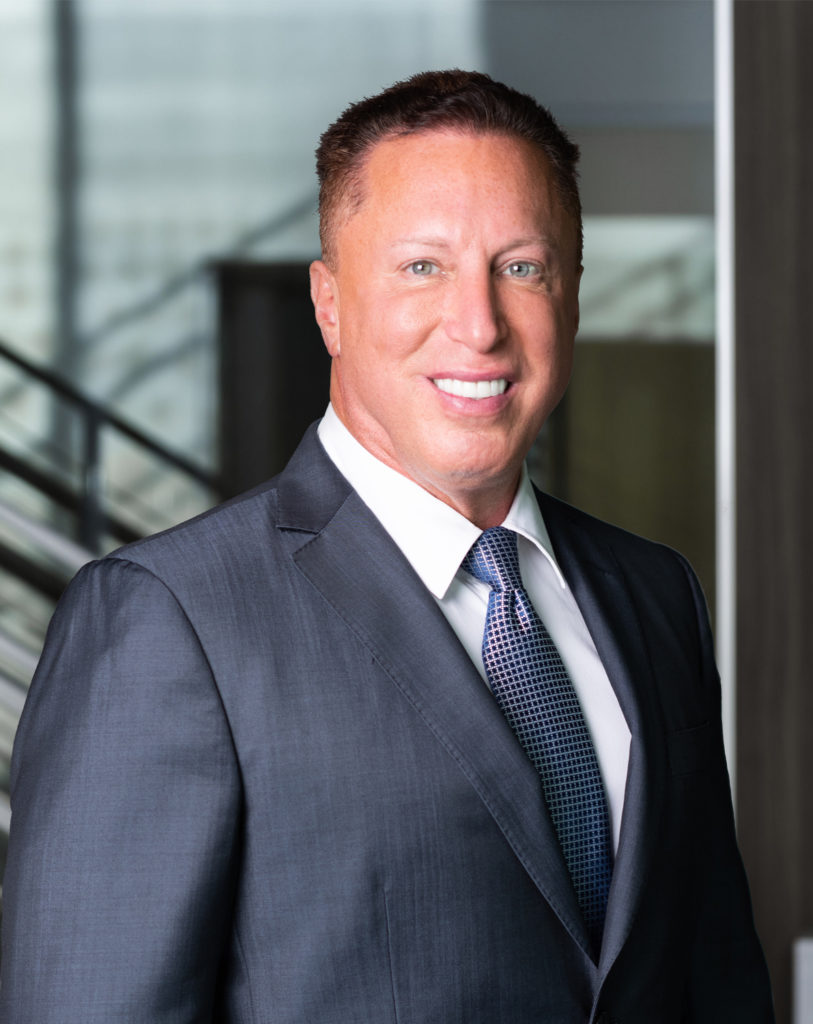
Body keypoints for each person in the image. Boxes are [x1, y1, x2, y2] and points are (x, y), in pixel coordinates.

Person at [0, 70, 773, 1023]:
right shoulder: (168, 617)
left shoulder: (653, 594)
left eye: (521, 268)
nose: (478, 325)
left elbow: (715, 983)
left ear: (571, 298)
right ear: (328, 304)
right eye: (421, 267)